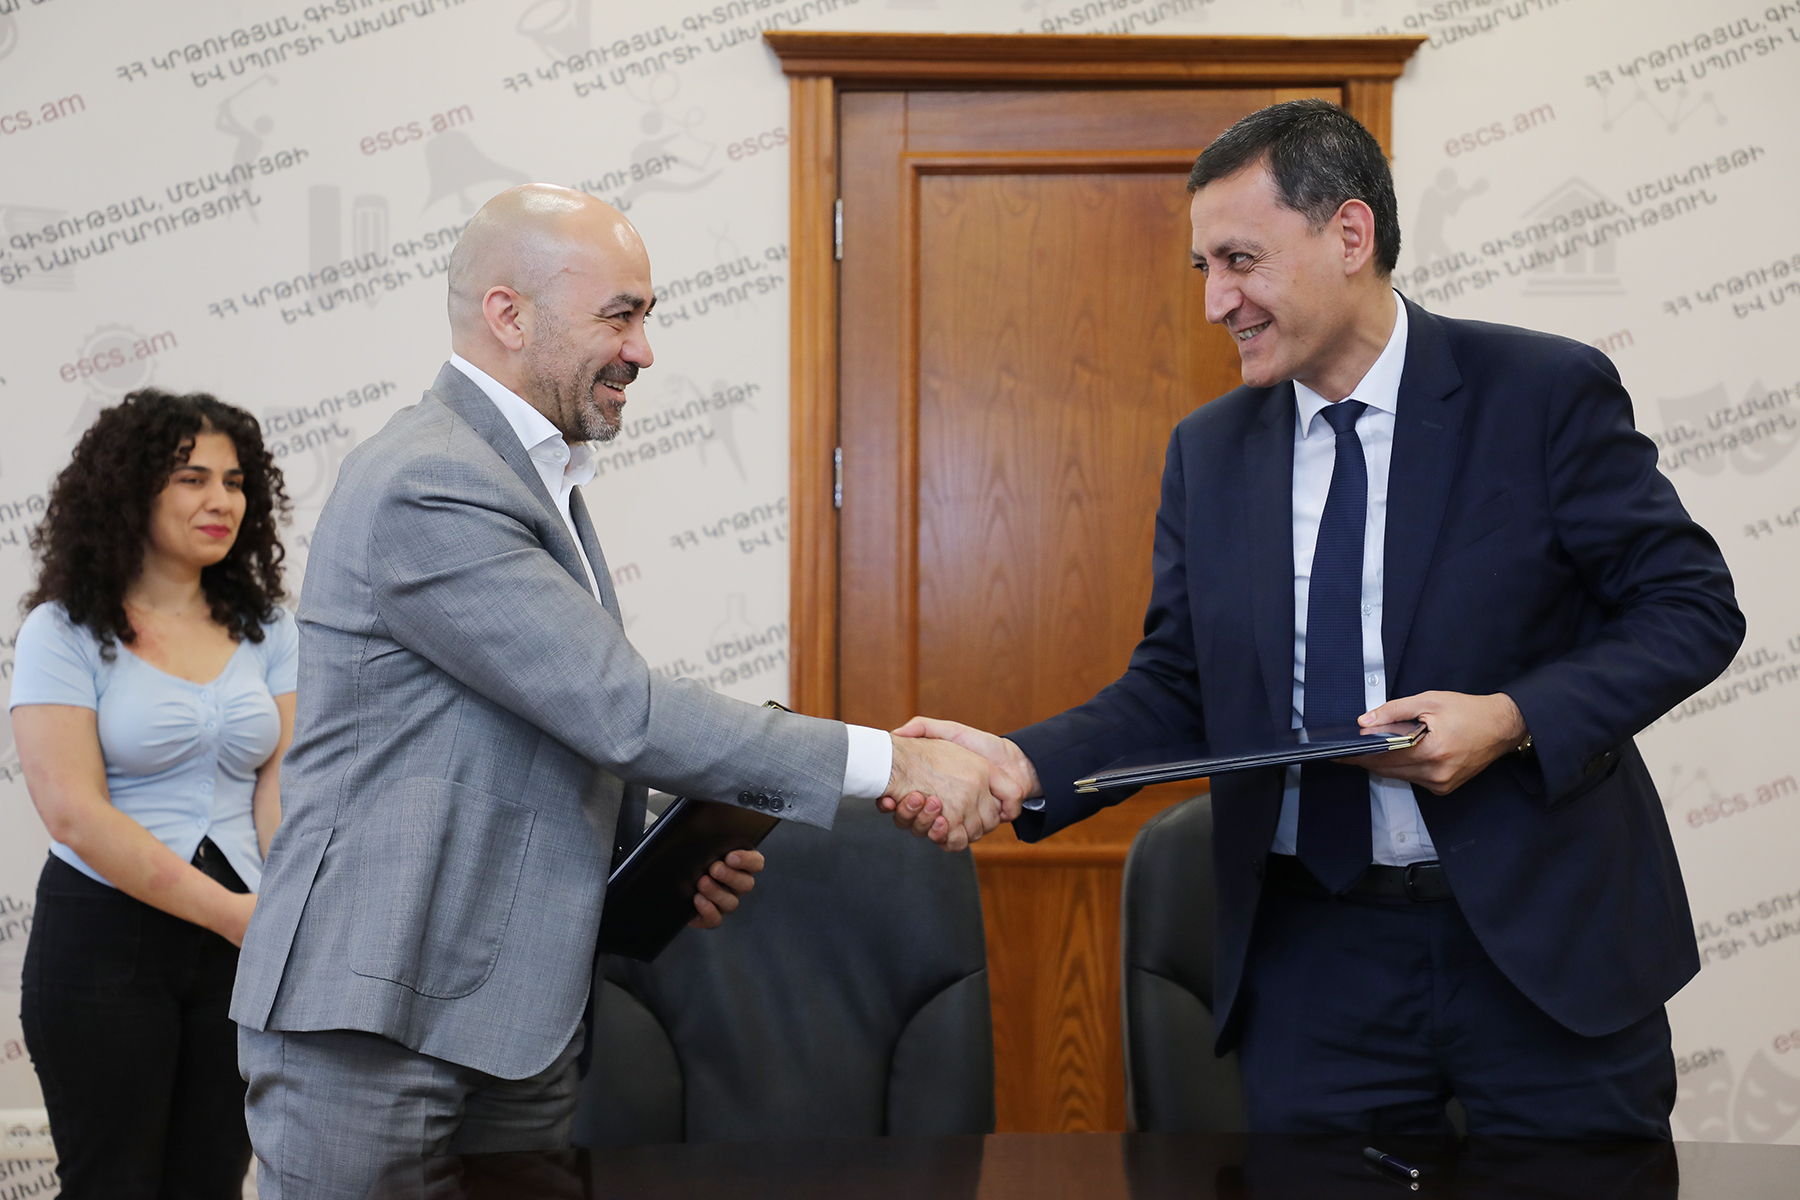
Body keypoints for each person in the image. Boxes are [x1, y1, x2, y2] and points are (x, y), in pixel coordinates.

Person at [889, 100, 1744, 1138]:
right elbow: (1179, 684)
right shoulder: (1210, 451)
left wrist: (1510, 718)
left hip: (1546, 945)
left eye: (1240, 261)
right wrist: (1023, 764)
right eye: (1204, 268)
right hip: (1315, 967)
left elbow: (1691, 607)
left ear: (1350, 234)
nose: (1217, 301)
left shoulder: (1542, 392)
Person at [231, 183, 1015, 1195]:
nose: (643, 350)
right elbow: (622, 711)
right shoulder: (428, 480)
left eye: (646, 315)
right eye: (620, 316)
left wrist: (646, 868)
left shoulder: (529, 478)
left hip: (510, 1020)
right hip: (380, 1020)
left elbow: (531, 736)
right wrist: (893, 762)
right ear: (509, 314)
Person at [12, 389, 296, 1198]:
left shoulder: (271, 628)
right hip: (105, 941)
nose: (221, 501)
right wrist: (233, 914)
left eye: (234, 482)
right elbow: (74, 814)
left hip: (244, 942)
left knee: (212, 1181)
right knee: (113, 1184)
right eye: (192, 479)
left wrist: (281, 908)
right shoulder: (62, 630)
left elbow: (283, 787)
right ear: (130, 491)